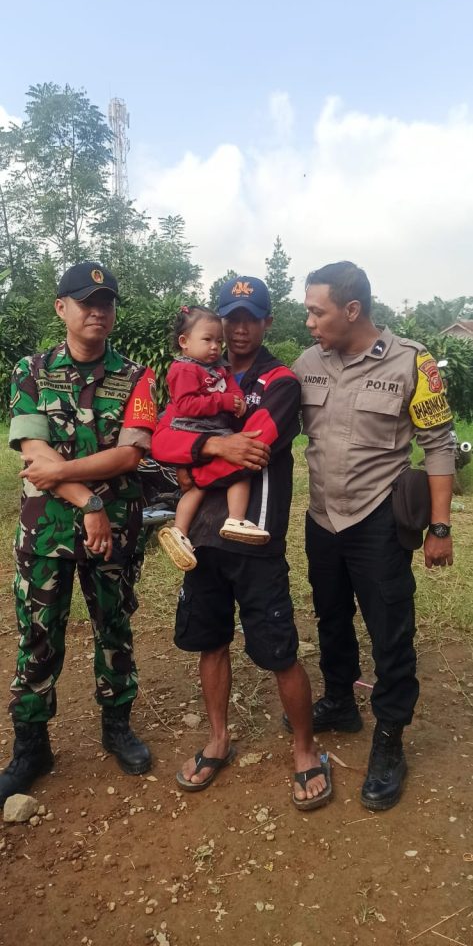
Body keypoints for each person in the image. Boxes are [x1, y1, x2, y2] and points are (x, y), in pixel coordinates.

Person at [152, 275, 332, 810]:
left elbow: (255, 446)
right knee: (211, 642)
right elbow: (162, 438)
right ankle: (218, 740)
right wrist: (211, 444)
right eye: (232, 317)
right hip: (202, 543)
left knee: (279, 650)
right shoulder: (200, 372)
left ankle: (304, 750)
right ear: (220, 322)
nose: (240, 327)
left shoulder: (280, 381)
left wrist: (197, 453)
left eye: (251, 317)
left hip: (255, 536)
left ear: (266, 322)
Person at [290, 260, 455, 810]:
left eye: (317, 310)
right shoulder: (307, 363)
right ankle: (340, 699)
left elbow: (438, 445)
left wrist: (439, 527)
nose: (309, 321)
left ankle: (390, 738)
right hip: (322, 519)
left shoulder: (413, 361)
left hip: (377, 520)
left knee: (390, 629)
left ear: (352, 310)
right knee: (330, 615)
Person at [0, 262, 157, 807]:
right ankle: (32, 746)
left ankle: (117, 728)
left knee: (114, 628)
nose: (98, 310)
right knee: (38, 635)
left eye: (106, 302)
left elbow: (131, 452)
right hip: (46, 533)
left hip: (114, 532)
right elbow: (32, 453)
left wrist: (72, 482)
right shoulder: (31, 370)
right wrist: (89, 500)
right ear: (60, 308)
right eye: (86, 300)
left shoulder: (137, 376)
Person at [158, 304, 270, 572]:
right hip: (193, 427)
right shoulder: (184, 369)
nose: (215, 347)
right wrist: (223, 402)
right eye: (207, 340)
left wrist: (238, 401)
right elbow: (185, 405)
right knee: (240, 468)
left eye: (219, 341)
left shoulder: (220, 367)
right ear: (184, 342)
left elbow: (232, 390)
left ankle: (181, 531)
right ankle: (235, 518)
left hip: (211, 428)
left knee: (197, 486)